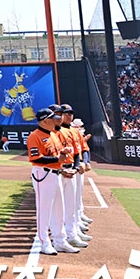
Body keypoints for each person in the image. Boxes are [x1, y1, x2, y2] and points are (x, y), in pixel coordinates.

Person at [27, 107, 72, 255]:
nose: (57, 120)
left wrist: (62, 159)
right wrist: (57, 159)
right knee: (44, 210)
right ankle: (44, 242)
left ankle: (60, 241)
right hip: (42, 174)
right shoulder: (35, 136)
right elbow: (35, 158)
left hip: (56, 173)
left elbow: (57, 154)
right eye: (54, 118)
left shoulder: (53, 134)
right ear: (45, 121)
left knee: (59, 209)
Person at [54, 104, 90, 249]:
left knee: (72, 204)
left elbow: (79, 151)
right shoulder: (56, 132)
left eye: (70, 113)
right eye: (65, 113)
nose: (68, 115)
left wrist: (80, 164)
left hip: (73, 170)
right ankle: (60, 236)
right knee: (59, 207)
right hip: (58, 171)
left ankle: (72, 232)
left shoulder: (74, 132)